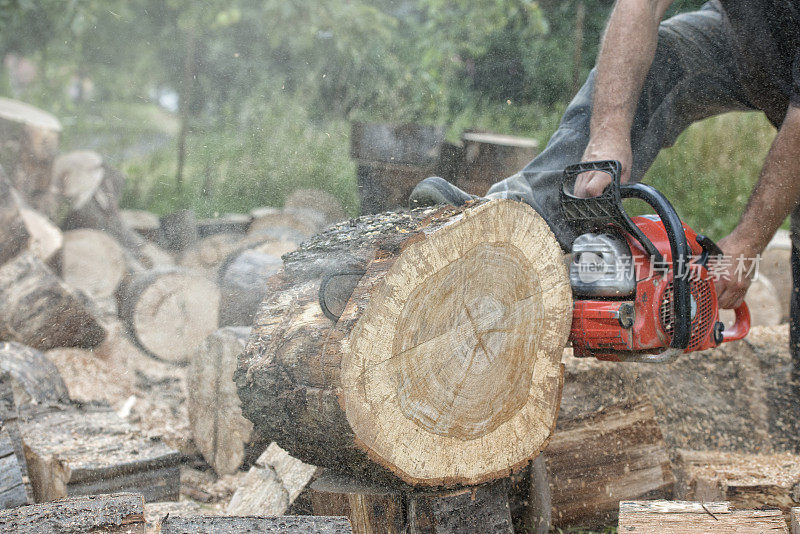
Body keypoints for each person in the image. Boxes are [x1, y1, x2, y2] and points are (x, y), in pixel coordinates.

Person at [410, 0, 800, 377]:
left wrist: (746, 243)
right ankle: (520, 219)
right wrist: (608, 132)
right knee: (662, 55)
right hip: (747, 36)